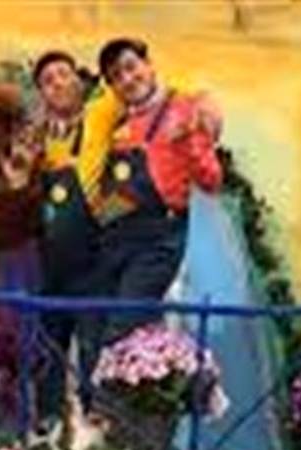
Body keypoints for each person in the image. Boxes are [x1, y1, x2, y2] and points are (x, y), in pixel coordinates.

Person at [93, 37, 224, 343]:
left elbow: (212, 181)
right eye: (116, 77)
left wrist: (190, 139)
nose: (127, 79)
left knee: (121, 333)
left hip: (160, 241)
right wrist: (100, 219)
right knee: (103, 328)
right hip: (120, 242)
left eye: (131, 67)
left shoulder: (187, 109)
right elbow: (126, 192)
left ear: (149, 65)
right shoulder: (120, 126)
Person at [30, 50, 123, 429]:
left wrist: (108, 215)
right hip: (49, 266)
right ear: (42, 95)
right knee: (49, 351)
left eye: (63, 74)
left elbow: (132, 85)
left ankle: (98, 435)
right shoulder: (36, 140)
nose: (57, 84)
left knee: (93, 350)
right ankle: (48, 431)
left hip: (94, 263)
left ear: (80, 80)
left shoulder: (101, 118)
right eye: (48, 81)